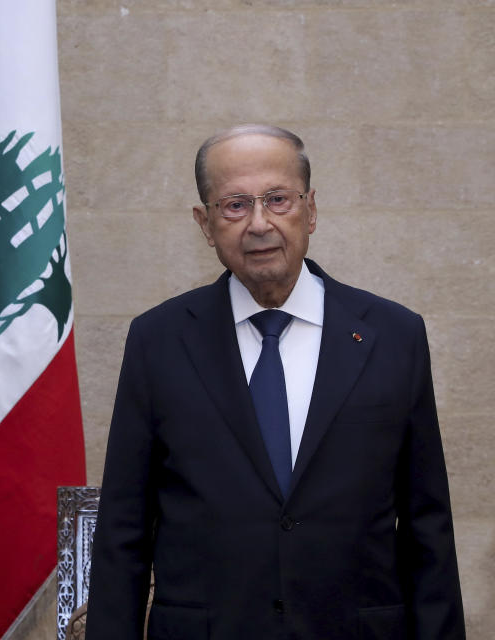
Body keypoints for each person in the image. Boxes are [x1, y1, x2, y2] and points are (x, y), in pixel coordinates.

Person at [86, 124, 464, 639]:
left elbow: (428, 530)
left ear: (311, 209)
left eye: (277, 200)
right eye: (235, 205)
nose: (259, 224)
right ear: (204, 222)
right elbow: (123, 532)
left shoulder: (394, 335)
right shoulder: (158, 340)